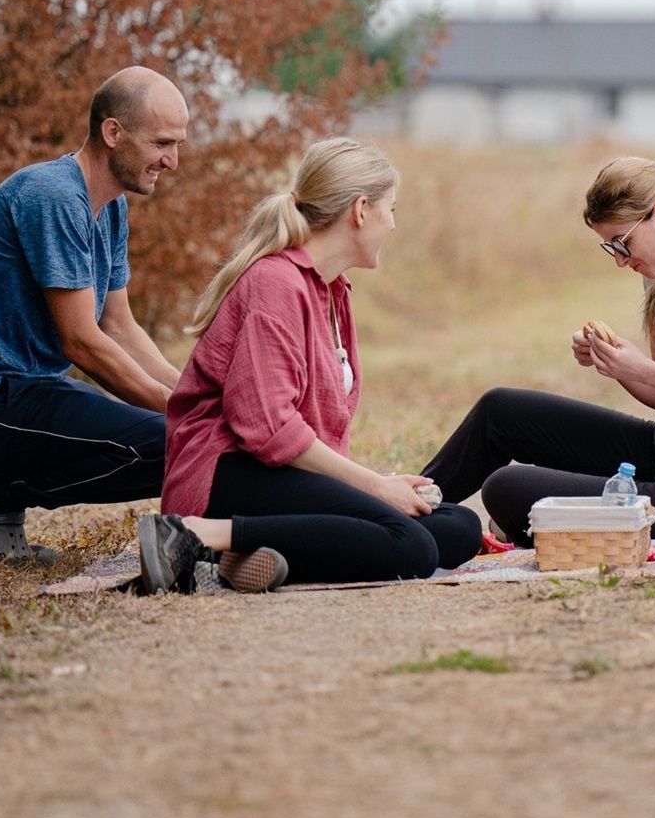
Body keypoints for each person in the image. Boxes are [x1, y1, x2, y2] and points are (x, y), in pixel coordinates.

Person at [140, 137, 483, 594]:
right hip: (226, 475)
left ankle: (238, 559)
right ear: (361, 210)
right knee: (413, 546)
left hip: (279, 474)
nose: (394, 225)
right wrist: (373, 487)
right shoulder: (275, 283)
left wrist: (374, 486)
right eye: (392, 209)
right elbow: (266, 430)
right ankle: (197, 536)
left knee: (457, 526)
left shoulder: (332, 292)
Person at [420, 156, 655, 545]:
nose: (622, 260)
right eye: (612, 248)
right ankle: (410, 506)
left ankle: (498, 524)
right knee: (500, 410)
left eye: (624, 243)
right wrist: (616, 365)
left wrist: (641, 369)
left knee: (505, 488)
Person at [0, 67, 188, 563]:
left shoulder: (109, 207)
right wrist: (180, 412)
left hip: (27, 394)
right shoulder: (52, 195)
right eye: (162, 143)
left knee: (181, 434)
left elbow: (120, 326)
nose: (172, 161)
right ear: (113, 133)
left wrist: (191, 393)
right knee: (175, 440)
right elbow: (82, 341)